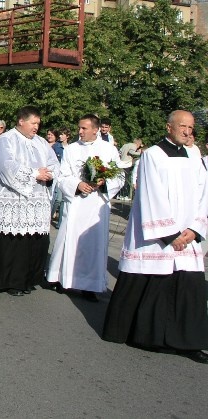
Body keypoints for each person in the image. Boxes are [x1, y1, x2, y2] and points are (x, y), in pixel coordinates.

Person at [102, 110, 208, 364]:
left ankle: (188, 341)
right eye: (182, 126)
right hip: (161, 237)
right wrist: (171, 234)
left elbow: (205, 192)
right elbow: (151, 194)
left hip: (189, 235)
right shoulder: (153, 155)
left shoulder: (195, 157)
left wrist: (195, 229)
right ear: (169, 127)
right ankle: (149, 337)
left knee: (188, 289)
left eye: (191, 127)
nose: (187, 131)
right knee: (154, 285)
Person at [46, 115, 123, 302]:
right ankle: (62, 279)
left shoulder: (109, 150)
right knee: (67, 239)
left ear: (95, 130)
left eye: (84, 128)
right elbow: (62, 176)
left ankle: (90, 285)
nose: (80, 132)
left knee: (93, 245)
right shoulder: (71, 149)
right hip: (76, 202)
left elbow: (119, 176)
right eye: (79, 128)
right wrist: (78, 184)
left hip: (96, 205)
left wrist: (105, 183)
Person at [0, 106, 59, 296]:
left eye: (38, 123)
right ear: (21, 121)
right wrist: (35, 173)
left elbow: (54, 163)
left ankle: (29, 279)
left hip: (37, 201)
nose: (37, 127)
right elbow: (6, 167)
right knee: (15, 243)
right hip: (14, 200)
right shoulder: (6, 140)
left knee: (35, 242)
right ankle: (13, 282)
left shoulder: (41, 142)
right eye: (33, 123)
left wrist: (49, 174)